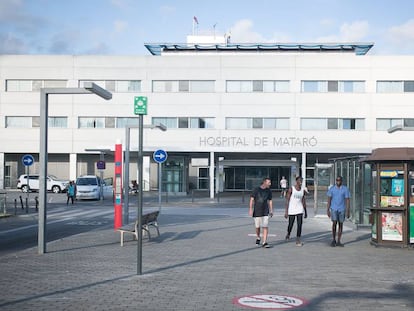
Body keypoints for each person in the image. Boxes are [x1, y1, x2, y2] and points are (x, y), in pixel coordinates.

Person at [249, 177, 273, 248]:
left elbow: (270, 201)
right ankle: (258, 237)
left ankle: (264, 242)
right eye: (269, 182)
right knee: (257, 227)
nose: (270, 184)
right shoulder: (256, 190)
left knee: (265, 226)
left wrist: (271, 210)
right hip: (257, 211)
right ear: (264, 182)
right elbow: (252, 199)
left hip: (265, 211)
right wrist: (250, 209)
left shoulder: (269, 191)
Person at [327, 176, 350, 247]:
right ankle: (333, 239)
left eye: (339, 180)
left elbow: (347, 200)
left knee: (341, 224)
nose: (338, 181)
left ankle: (339, 241)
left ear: (341, 181)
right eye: (337, 180)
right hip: (334, 208)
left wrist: (348, 210)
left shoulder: (345, 189)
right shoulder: (332, 189)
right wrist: (328, 209)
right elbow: (329, 199)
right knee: (334, 223)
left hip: (342, 208)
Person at [284, 176, 307, 246]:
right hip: (292, 209)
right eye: (299, 180)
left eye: (301, 181)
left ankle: (298, 239)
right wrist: (286, 211)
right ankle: (288, 233)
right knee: (291, 224)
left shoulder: (302, 190)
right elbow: (287, 200)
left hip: (299, 209)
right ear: (296, 181)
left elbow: (303, 200)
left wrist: (305, 211)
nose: (300, 182)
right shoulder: (291, 189)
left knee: (299, 225)